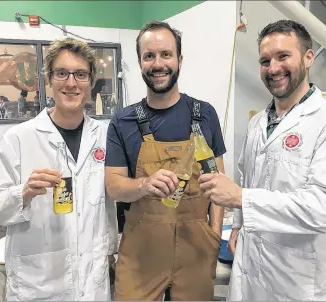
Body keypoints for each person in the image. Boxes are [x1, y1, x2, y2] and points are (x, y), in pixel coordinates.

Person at [198, 20, 326, 301]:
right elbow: (247, 176)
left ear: (308, 57)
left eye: (283, 56)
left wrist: (242, 199)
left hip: (298, 281)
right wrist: (238, 223)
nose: (273, 68)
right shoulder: (258, 123)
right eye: (265, 60)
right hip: (250, 270)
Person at [0, 37, 118, 301]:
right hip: (38, 283)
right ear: (49, 79)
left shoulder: (105, 137)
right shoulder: (19, 139)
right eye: (62, 73)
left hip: (93, 281)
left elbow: (109, 203)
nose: (71, 83)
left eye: (80, 74)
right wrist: (24, 192)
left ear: (90, 81)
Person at [105, 20, 226, 301]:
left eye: (166, 54)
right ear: (140, 62)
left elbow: (219, 184)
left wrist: (214, 234)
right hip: (141, 250)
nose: (158, 63)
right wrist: (144, 184)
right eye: (149, 56)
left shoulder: (205, 114)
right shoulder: (123, 121)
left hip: (196, 246)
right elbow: (113, 187)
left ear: (179, 60)